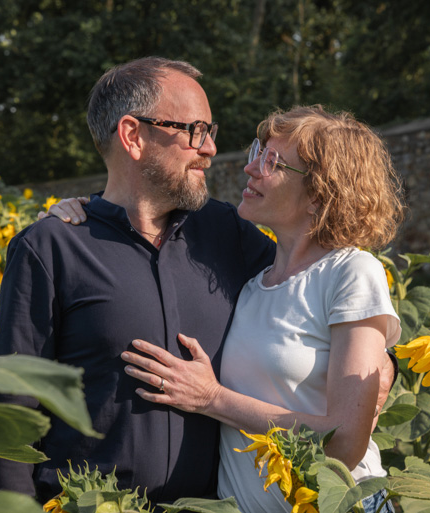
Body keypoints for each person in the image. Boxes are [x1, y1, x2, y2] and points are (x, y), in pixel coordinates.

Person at [0, 56, 278, 504]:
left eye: (210, 131)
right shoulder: (52, 248)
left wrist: (378, 355)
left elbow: (312, 292)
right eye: (195, 130)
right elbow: (12, 409)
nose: (211, 148)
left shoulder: (227, 233)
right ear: (133, 136)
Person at [116, 106, 405, 513]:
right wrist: (82, 212)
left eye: (273, 163)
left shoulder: (351, 272)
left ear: (320, 194)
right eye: (258, 152)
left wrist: (212, 398)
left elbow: (344, 443)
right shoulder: (251, 280)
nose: (251, 168)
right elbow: (138, 205)